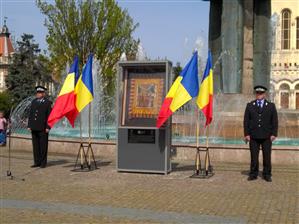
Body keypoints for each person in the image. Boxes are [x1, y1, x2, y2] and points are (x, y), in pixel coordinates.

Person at [243, 85, 278, 182]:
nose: (259, 95)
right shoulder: (250, 105)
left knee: (267, 157)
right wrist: (246, 134)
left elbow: (274, 121)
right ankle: (253, 173)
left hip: (266, 136)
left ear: (264, 94)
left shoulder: (271, 106)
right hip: (253, 136)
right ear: (255, 94)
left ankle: (267, 174)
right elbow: (246, 121)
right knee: (254, 157)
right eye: (257, 93)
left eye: (261, 93)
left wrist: (274, 134)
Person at [28, 86, 52, 168]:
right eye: (37, 93)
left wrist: (48, 127)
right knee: (35, 146)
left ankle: (43, 163)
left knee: (43, 146)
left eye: (39, 93)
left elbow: (50, 116)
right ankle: (36, 162)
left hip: (43, 128)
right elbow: (31, 114)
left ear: (43, 94)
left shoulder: (47, 103)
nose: (37, 94)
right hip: (34, 127)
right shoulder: (34, 101)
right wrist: (29, 125)